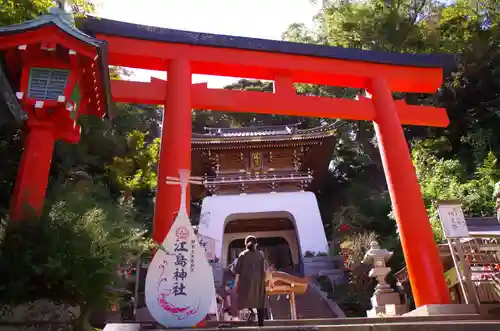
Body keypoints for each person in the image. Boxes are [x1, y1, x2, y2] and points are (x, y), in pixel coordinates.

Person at [234, 235, 266, 327]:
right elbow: (263, 269)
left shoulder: (242, 255)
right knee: (260, 301)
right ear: (256, 244)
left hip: (246, 283)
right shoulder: (261, 254)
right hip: (259, 283)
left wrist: (235, 285)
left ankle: (251, 312)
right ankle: (261, 324)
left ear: (245, 244)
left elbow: (237, 271)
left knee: (244, 298)